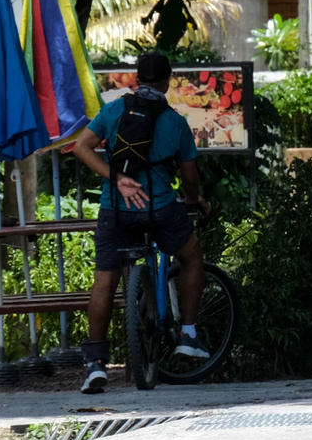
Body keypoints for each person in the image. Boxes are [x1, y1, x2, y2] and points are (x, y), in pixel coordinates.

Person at [70, 52, 211, 393]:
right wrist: (194, 200)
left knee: (104, 282)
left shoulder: (114, 110)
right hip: (160, 208)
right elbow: (189, 175)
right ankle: (188, 333)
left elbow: (81, 148)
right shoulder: (175, 122)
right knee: (191, 258)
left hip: (115, 210)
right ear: (167, 81)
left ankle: (95, 366)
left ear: (135, 77)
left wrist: (116, 178)